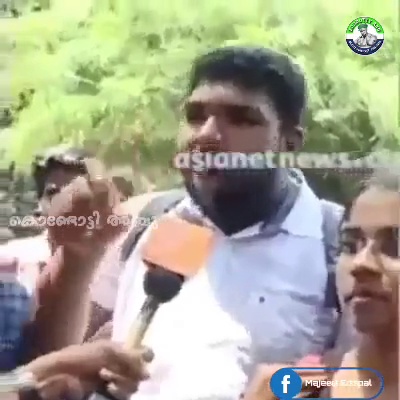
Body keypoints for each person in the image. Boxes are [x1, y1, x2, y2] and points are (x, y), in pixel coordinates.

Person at [44, 46, 353, 399]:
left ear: (289, 142)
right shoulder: (144, 221)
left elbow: (371, 380)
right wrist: (72, 260)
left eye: (241, 119)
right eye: (194, 115)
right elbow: (68, 357)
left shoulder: (342, 243)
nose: (206, 135)